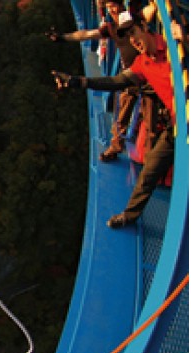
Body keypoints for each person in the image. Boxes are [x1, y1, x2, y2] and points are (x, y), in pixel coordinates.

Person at [51, 11, 181, 228]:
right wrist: (78, 82)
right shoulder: (142, 63)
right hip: (177, 125)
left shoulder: (171, 45)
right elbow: (116, 81)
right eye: (128, 37)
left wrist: (184, 38)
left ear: (145, 27)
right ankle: (129, 216)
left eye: (134, 32)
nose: (133, 40)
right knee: (150, 170)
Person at [46, 0, 158, 162]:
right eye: (108, 7)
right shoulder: (111, 28)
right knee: (121, 117)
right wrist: (63, 38)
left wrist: (155, 6)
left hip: (147, 76)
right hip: (130, 76)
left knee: (150, 121)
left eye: (114, 6)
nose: (112, 10)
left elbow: (149, 11)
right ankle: (115, 147)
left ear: (122, 6)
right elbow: (87, 34)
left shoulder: (133, 19)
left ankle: (149, 159)